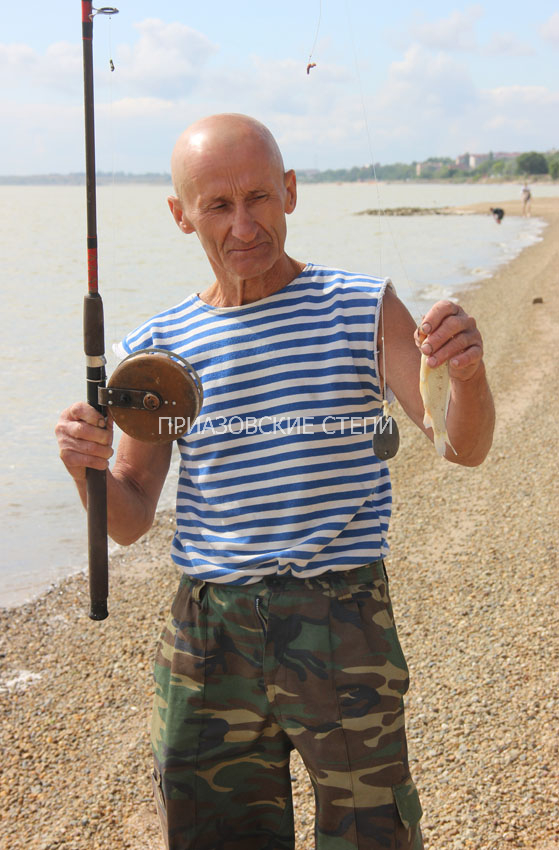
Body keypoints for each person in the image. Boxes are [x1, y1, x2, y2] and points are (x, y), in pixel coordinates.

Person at [56, 113, 495, 850]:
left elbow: (460, 446)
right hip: (208, 631)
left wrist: (469, 374)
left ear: (289, 190)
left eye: (258, 196)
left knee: (371, 835)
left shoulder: (362, 307)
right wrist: (85, 468)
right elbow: (129, 520)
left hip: (342, 619)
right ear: (180, 214)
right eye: (217, 205)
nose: (243, 225)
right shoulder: (157, 349)